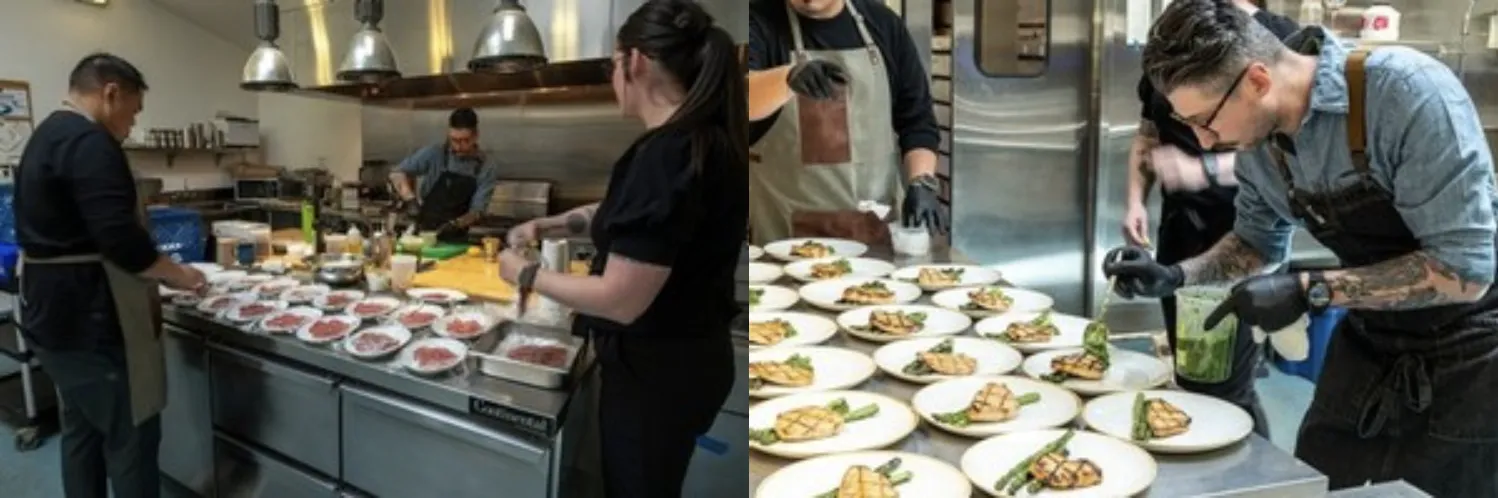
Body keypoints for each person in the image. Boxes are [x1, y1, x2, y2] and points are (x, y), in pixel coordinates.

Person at [1106, 0, 1498, 494]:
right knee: (1316, 479)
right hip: (1373, 336)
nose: (1204, 144)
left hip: (1475, 350)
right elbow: (1254, 244)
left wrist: (1309, 289)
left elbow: (1464, 269)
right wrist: (1177, 276)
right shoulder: (1260, 147)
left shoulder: (1403, 93)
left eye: (1206, 120)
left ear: (1257, 80)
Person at [498, 1, 745, 496]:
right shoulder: (702, 140)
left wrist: (523, 274)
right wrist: (546, 225)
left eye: (613, 62)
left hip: (657, 378)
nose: (613, 74)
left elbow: (621, 299)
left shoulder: (668, 152)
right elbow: (623, 214)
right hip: (691, 365)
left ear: (635, 62)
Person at [15, 53, 207, 498]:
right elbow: (118, 237)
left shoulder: (47, 133)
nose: (131, 125)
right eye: (133, 112)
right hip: (91, 322)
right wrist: (178, 274)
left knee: (81, 431)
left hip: (51, 316)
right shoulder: (90, 141)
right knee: (131, 437)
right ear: (111, 93)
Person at [1120, 0, 1297, 437]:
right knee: (1193, 369)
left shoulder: (1277, 39)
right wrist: (1135, 200)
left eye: (1204, 121)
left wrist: (1202, 170)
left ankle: (1248, 474)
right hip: (1182, 231)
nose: (1200, 134)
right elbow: (1148, 135)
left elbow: (1279, 153)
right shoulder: (1175, 39)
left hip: (1244, 233)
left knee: (1226, 381)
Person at [746, 0, 946, 246]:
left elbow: (917, 119)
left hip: (874, 229)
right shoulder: (756, 21)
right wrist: (787, 78)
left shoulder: (884, 24)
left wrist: (922, 181)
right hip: (785, 237)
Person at [389, 107, 501, 243]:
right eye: (454, 140)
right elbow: (397, 173)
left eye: (465, 141)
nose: (459, 146)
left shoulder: (486, 166)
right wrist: (410, 199)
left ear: (476, 136)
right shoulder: (435, 154)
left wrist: (456, 224)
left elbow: (477, 211)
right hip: (423, 233)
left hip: (457, 239)